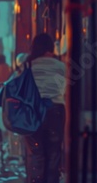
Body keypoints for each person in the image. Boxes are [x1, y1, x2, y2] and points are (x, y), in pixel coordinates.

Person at [22, 33, 66, 183]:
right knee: (53, 154)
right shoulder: (61, 66)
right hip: (55, 110)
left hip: (33, 111)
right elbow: (62, 89)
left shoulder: (28, 64)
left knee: (36, 153)